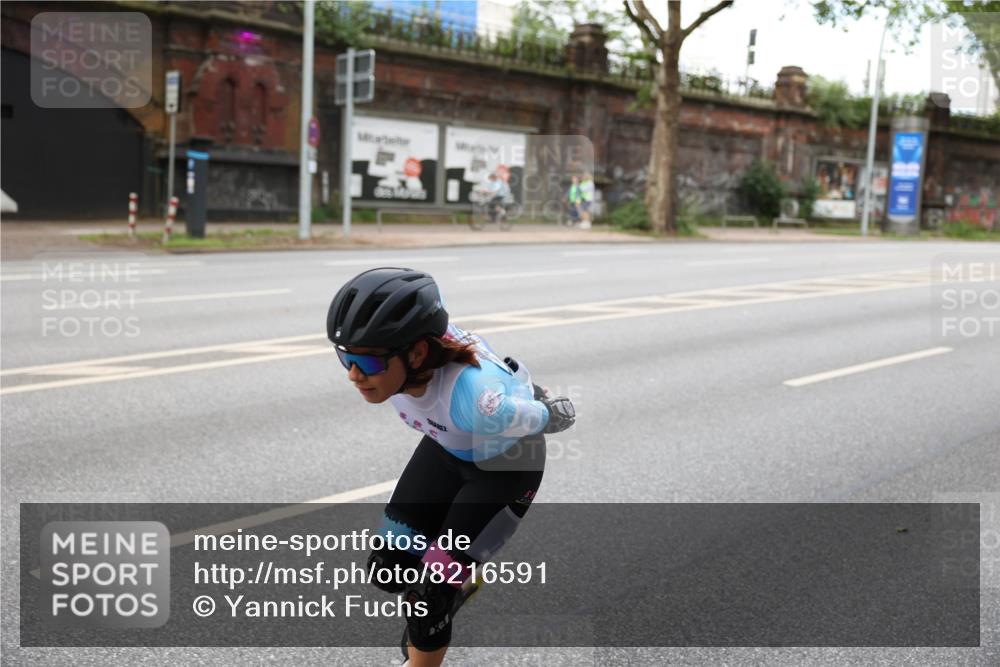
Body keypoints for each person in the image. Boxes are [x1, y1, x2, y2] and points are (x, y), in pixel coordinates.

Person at [327, 268, 576, 667]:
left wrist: (548, 409)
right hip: (449, 448)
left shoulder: (473, 402)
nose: (354, 375)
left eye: (366, 362)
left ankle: (440, 607)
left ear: (417, 354)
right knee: (389, 571)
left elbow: (545, 413)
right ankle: (460, 581)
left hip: (505, 468)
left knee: (427, 598)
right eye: (344, 358)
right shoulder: (406, 356)